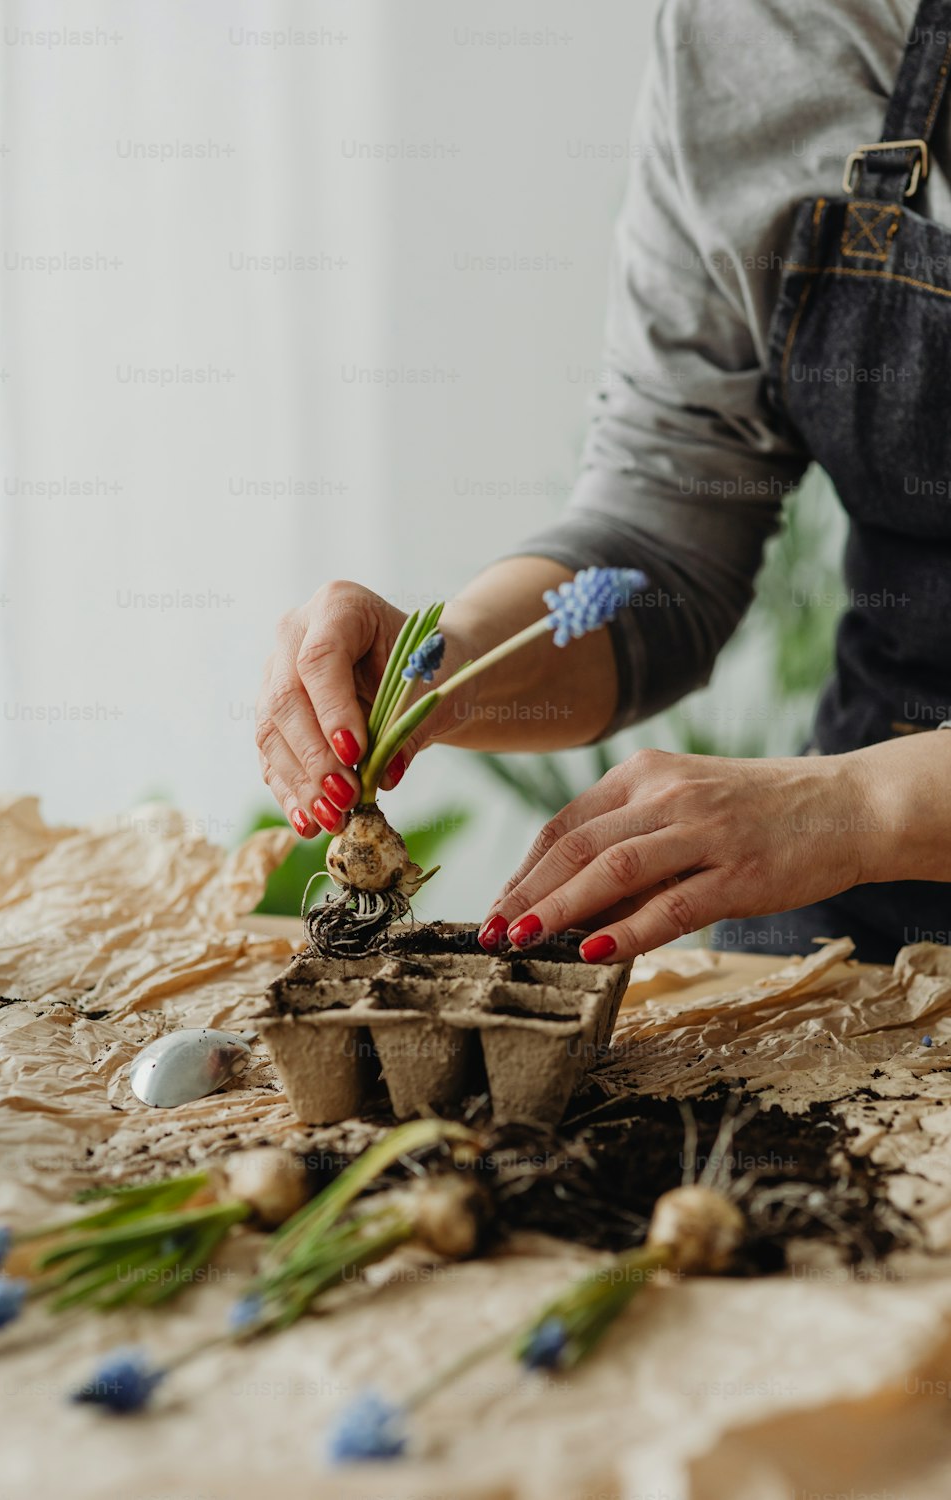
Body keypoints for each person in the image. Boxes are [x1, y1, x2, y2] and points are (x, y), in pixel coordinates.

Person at [257, 0, 951, 967]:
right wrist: (443, 664)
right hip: (859, 927)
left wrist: (864, 804)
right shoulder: (747, 29)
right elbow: (665, 525)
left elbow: (852, 808)